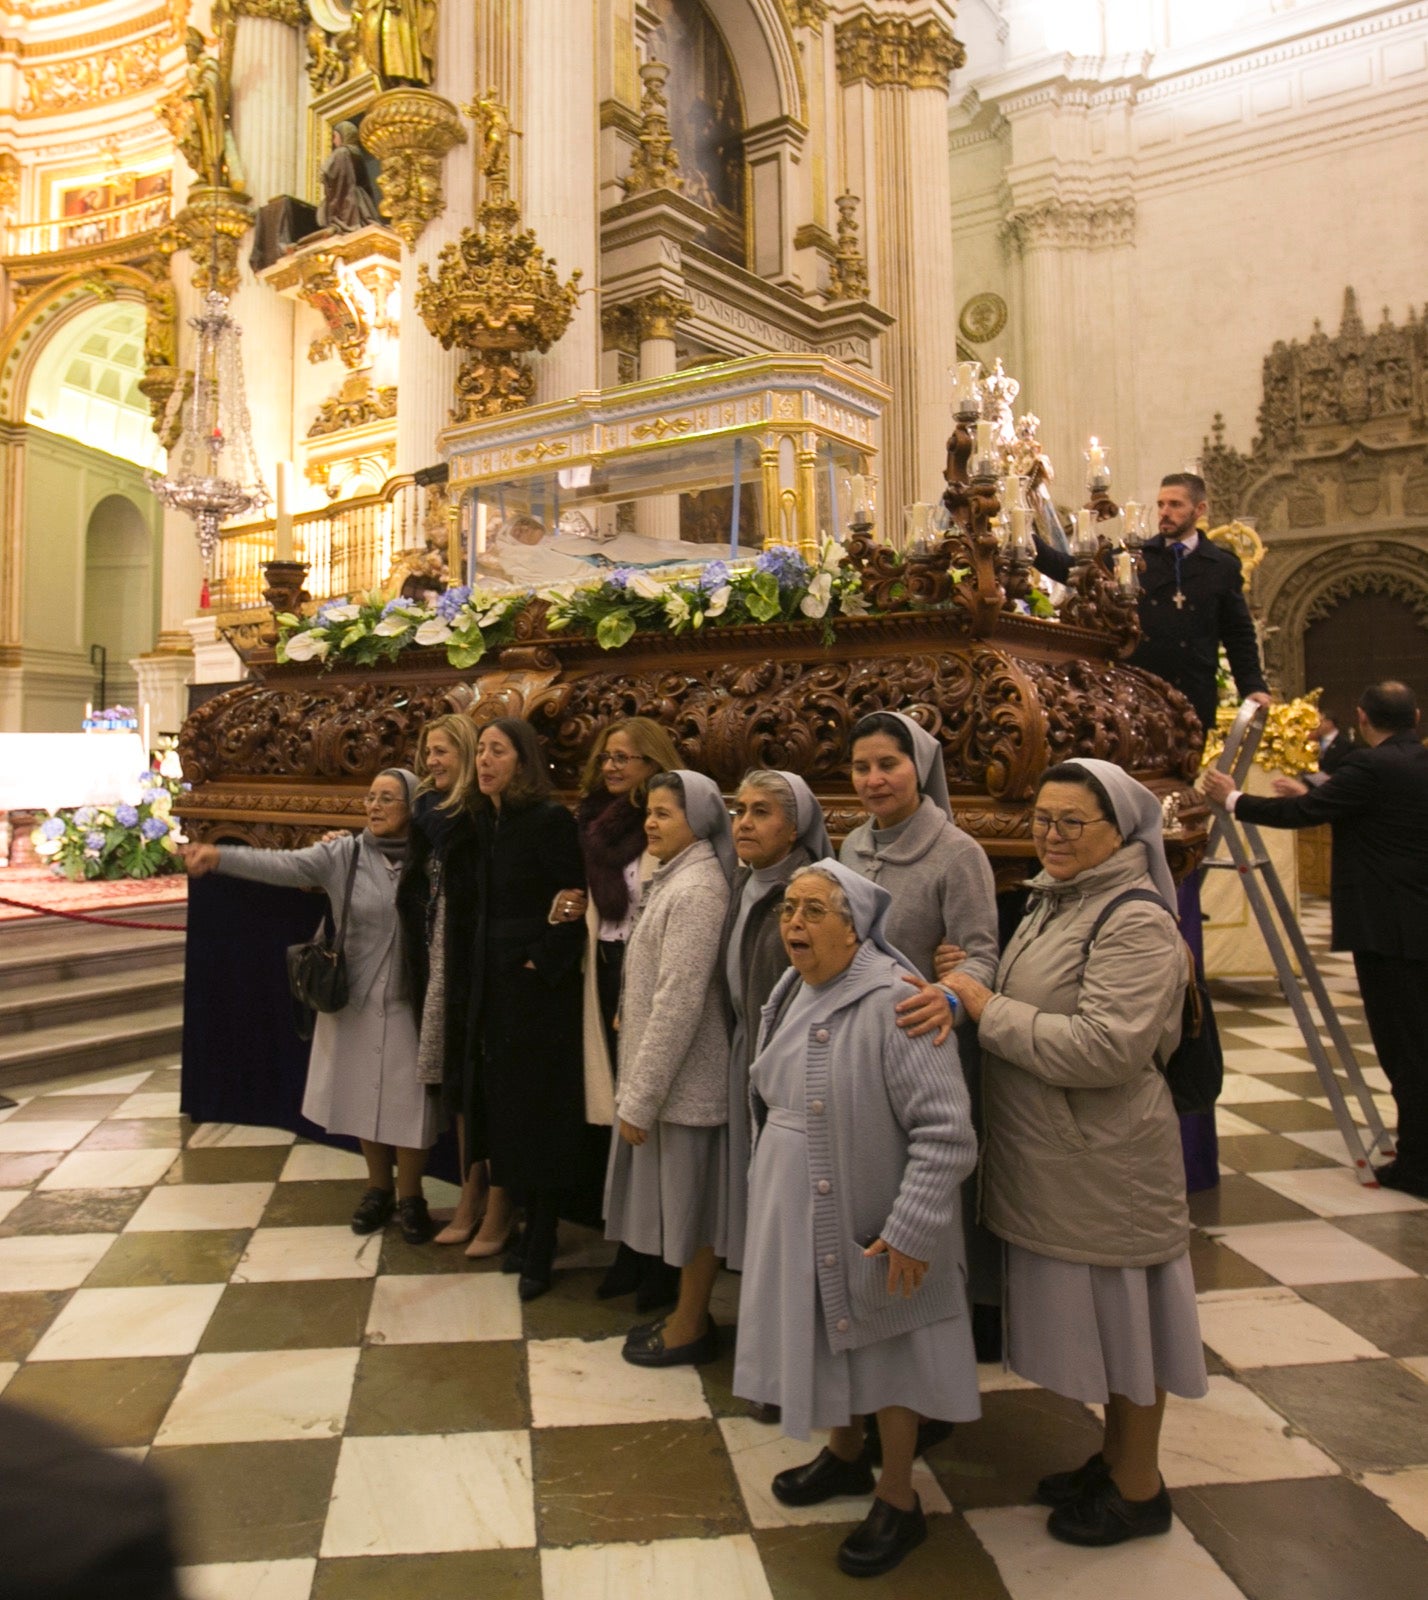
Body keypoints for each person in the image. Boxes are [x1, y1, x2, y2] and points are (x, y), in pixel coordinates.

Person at [942, 759, 1205, 1547]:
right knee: (1111, 1331)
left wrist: (987, 1008)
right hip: (1066, 1158)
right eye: (1043, 821)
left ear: (1118, 832)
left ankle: (1139, 1487)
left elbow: (1103, 1049)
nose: (1051, 837)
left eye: (1071, 824)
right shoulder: (1060, 902)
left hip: (1109, 1162)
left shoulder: (1135, 919)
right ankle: (1114, 1458)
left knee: (1133, 1329)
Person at [733, 861, 979, 1579]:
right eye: (788, 910)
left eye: (813, 911)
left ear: (855, 925)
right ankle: (844, 1455)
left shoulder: (894, 1002)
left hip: (873, 1204)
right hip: (798, 1196)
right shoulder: (794, 985)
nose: (794, 925)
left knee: (890, 1347)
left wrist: (910, 1226)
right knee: (827, 1330)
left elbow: (947, 1131)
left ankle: (898, 1498)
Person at [184, 769, 436, 1243]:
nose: (375, 806)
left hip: (410, 998)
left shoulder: (433, 859)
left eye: (388, 798)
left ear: (413, 807)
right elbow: (283, 865)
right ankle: (378, 1189)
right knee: (364, 1098)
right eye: (371, 797)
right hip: (355, 998)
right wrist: (219, 856)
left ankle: (411, 1197)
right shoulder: (346, 853)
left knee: (410, 1104)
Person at [1203, 680, 1428, 1196]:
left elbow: (1302, 816)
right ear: (1415, 715)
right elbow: (1373, 811)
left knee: (1404, 1048)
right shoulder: (1413, 762)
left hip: (1387, 930)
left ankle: (1418, 1166)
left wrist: (1233, 797)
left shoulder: (1369, 767)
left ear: (1361, 717)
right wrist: (1315, 791)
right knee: (1419, 1042)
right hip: (1415, 923)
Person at [841, 708, 1001, 1363]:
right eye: (861, 767)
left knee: (929, 1206)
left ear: (920, 768)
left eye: (889, 764)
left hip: (928, 1047)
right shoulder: (851, 844)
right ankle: (874, 1341)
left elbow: (983, 958)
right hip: (862, 1054)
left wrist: (949, 996)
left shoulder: (957, 852)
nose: (875, 780)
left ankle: (937, 1358)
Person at [550, 716, 684, 1311]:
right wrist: (570, 902)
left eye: (625, 757)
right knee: (616, 1118)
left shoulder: (668, 827)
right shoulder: (590, 823)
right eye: (607, 755)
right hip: (601, 969)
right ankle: (630, 1244)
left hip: (646, 976)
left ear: (655, 766)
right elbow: (589, 898)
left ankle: (661, 1258)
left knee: (646, 1115)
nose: (611, 766)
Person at [604, 770, 733, 1367]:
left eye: (664, 814)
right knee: (680, 1209)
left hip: (687, 1087)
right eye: (649, 812)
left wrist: (640, 1098)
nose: (651, 823)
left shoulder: (699, 889)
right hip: (668, 1082)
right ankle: (686, 1313)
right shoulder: (673, 876)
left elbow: (680, 1000)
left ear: (699, 821)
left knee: (693, 1213)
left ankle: (690, 1326)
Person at [461, 718, 589, 1299]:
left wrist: (540, 959)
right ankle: (522, 1223)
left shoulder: (547, 818)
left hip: (536, 988)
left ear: (524, 761)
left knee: (540, 1109)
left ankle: (542, 1236)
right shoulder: (487, 820)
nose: (485, 760)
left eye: (498, 751)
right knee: (506, 1108)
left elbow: (573, 896)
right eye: (481, 751)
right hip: (495, 981)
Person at [1034, 473, 1270, 736]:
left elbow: (1238, 635)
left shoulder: (1221, 566)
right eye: (1161, 504)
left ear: (1199, 509)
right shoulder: (1134, 559)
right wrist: (1026, 541)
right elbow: (1074, 571)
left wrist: (1253, 687)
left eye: (1175, 505)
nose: (1165, 512)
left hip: (1193, 697)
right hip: (1138, 695)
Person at [397, 715, 492, 1251]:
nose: (431, 762)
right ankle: (467, 1194)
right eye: (428, 752)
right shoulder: (427, 813)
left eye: (442, 753)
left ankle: (477, 1201)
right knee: (453, 1088)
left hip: (467, 964)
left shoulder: (473, 817)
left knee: (469, 1085)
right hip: (435, 958)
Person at [317, 121, 381, 233]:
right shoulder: (357, 153)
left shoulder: (341, 152)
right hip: (362, 201)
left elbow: (328, 175)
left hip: (346, 200)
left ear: (343, 135)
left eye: (335, 136)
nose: (334, 141)